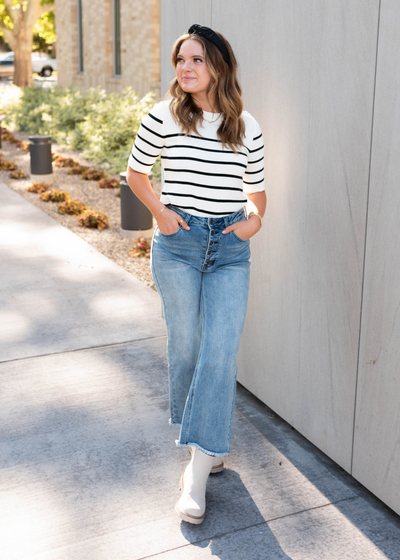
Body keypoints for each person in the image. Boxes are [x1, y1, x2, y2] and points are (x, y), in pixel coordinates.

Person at [126, 23, 267, 525]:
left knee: (220, 350)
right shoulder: (163, 117)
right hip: (178, 246)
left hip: (229, 248)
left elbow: (258, 192)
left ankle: (198, 469)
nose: (185, 68)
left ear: (219, 67)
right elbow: (136, 173)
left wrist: (253, 223)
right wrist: (161, 213)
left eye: (197, 60)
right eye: (180, 59)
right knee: (186, 346)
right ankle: (203, 444)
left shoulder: (245, 125)